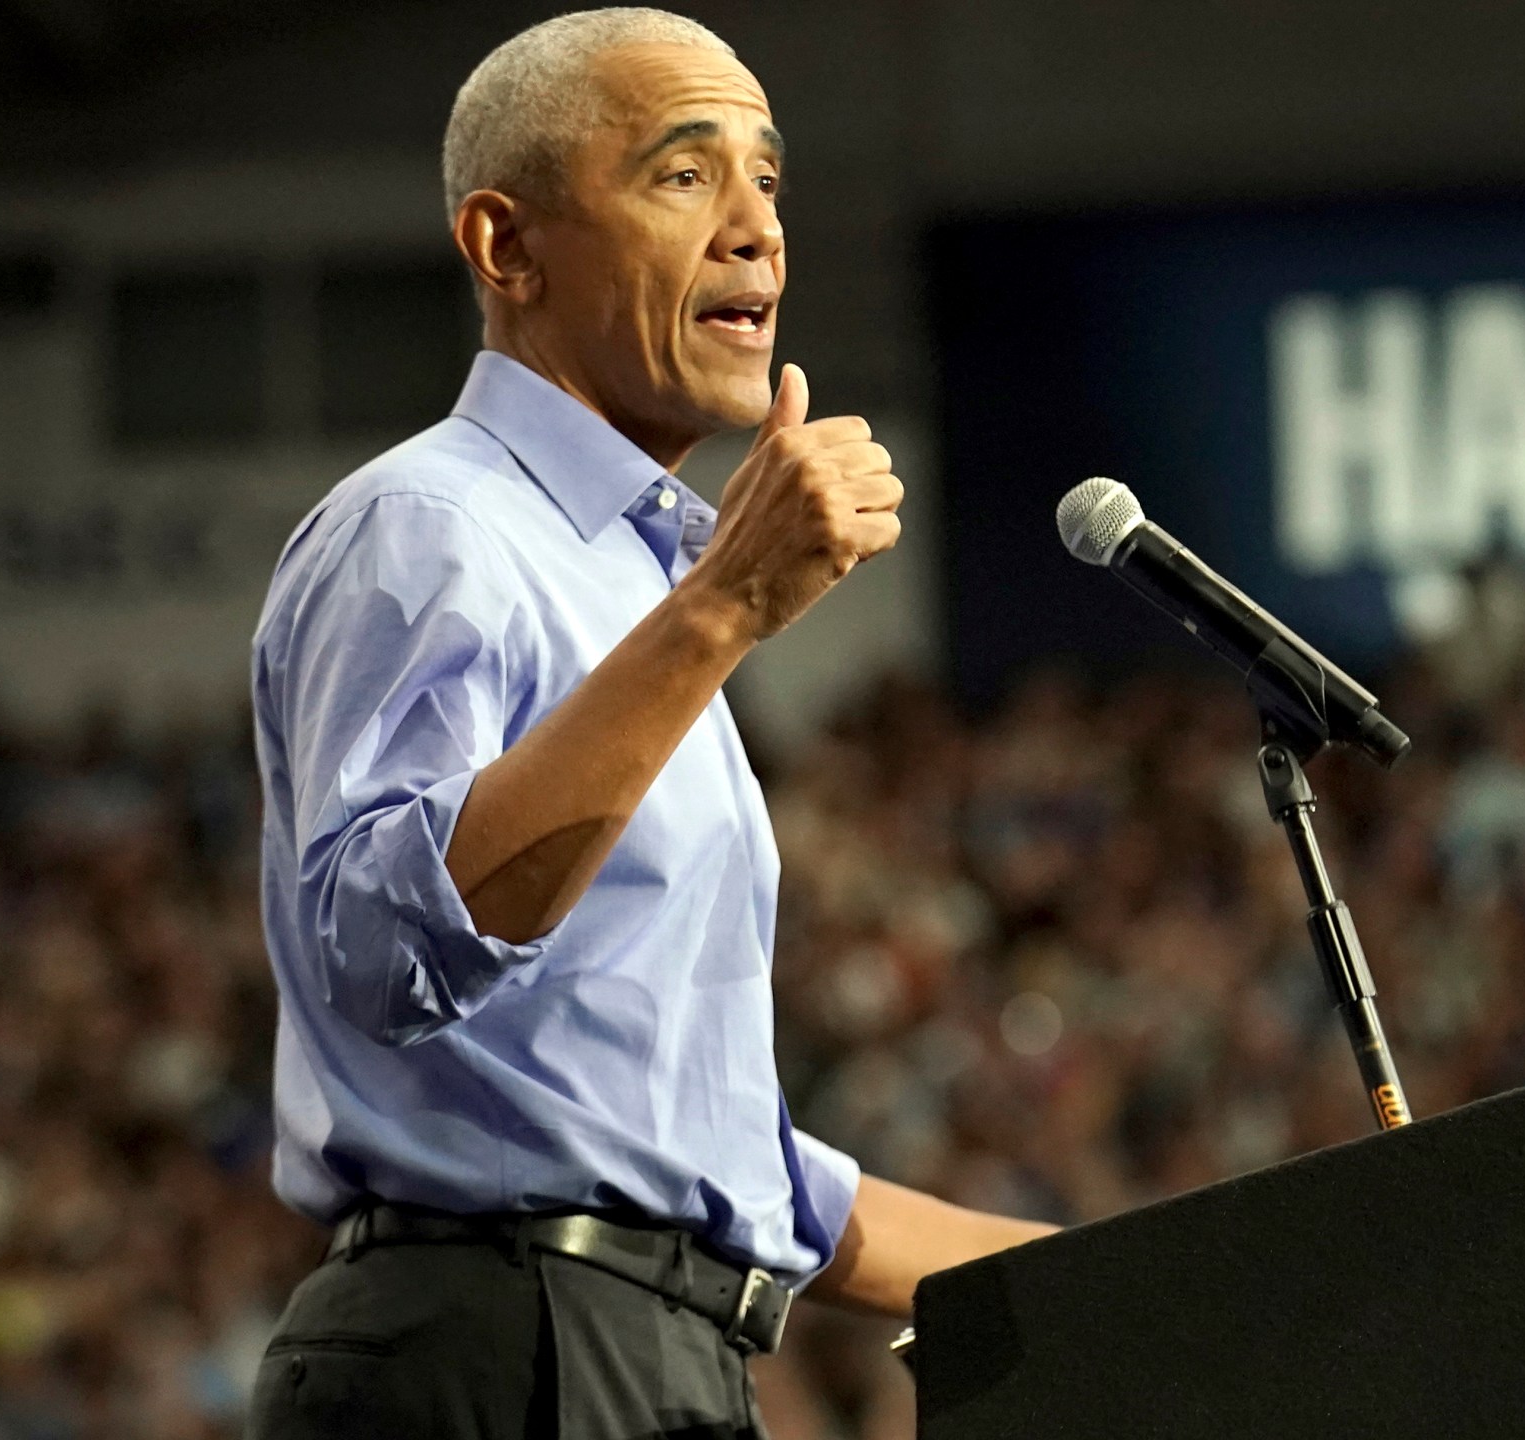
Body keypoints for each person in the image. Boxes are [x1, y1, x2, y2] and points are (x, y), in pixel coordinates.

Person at [244, 11, 1054, 1436]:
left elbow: (694, 1154)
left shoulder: (628, 575)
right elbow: (376, 945)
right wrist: (722, 610)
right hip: (503, 1354)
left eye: (770, 181)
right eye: (685, 176)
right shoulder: (430, 527)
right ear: (508, 246)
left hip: (647, 1353)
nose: (757, 230)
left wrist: (1125, 1272)